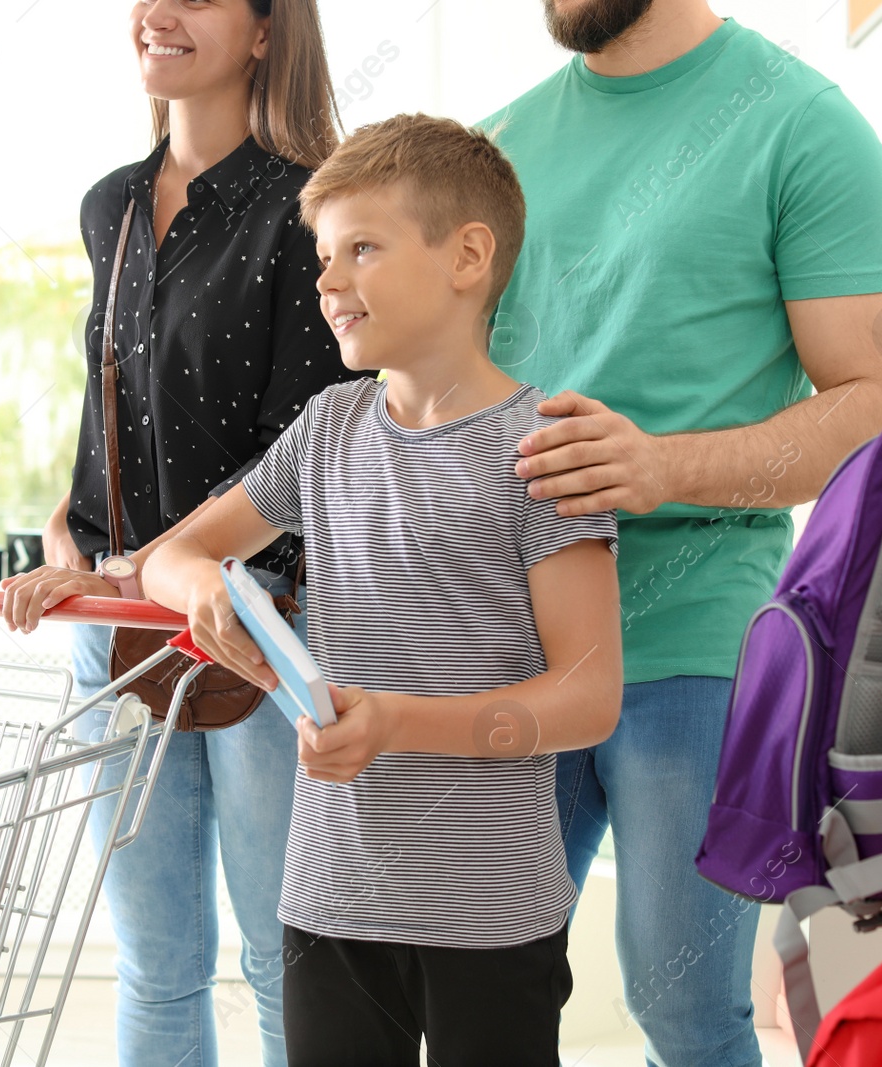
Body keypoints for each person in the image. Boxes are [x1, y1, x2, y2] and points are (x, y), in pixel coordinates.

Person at [141, 113, 625, 1067]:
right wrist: (201, 584)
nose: (325, 281)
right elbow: (172, 552)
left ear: (468, 257)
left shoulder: (545, 452)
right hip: (329, 900)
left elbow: (588, 695)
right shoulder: (329, 428)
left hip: (490, 912)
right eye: (323, 255)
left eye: (361, 247)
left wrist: (396, 722)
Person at [482, 2, 882, 1064]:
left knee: (683, 1009)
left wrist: (662, 465)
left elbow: (876, 400)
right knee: (482, 989)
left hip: (695, 635)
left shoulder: (804, 125)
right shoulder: (493, 147)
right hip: (507, 640)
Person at [0, 2, 359, 1064]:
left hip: (262, 623)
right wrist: (71, 542)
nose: (158, 12)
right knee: (154, 960)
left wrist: (159, 562)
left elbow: (302, 442)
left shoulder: (317, 203)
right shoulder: (108, 204)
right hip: (113, 622)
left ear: (263, 32)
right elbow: (106, 405)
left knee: (279, 953)